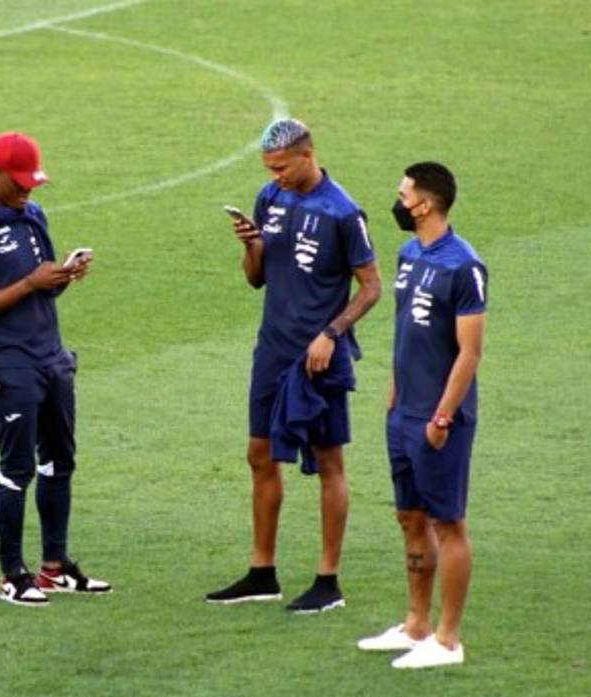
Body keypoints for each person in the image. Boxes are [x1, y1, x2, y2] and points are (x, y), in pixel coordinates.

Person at [206, 117, 382, 612]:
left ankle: (328, 581)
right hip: (273, 350)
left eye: (282, 166)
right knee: (260, 455)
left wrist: (331, 334)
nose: (275, 175)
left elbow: (372, 287)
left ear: (308, 155)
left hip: (317, 356)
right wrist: (251, 245)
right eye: (269, 168)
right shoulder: (271, 198)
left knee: (329, 462)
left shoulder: (344, 213)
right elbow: (256, 279)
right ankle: (262, 572)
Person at [0, 131, 111, 606]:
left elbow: (40, 285)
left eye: (32, 181)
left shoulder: (33, 215)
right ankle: (11, 575)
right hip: (8, 362)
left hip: (51, 356)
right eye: (19, 182)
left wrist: (62, 277)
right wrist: (30, 283)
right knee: (18, 469)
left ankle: (54, 568)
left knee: (61, 462)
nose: (28, 191)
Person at [357, 161, 487, 668]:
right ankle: (417, 625)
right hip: (403, 412)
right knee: (409, 516)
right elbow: (406, 331)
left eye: (403, 192)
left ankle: (448, 640)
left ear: (425, 203)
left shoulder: (464, 266)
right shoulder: (410, 253)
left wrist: (442, 417)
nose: (398, 198)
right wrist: (394, 390)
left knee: (447, 523)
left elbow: (469, 353)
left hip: (438, 420)